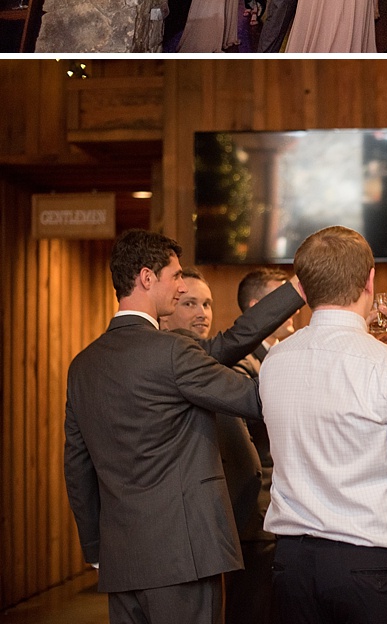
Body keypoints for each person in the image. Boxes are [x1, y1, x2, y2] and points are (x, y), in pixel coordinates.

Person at [63, 230, 267, 624]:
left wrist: (95, 548)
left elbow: (77, 466)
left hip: (121, 562)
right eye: (175, 277)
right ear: (145, 277)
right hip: (185, 559)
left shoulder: (82, 366)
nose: (180, 286)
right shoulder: (172, 351)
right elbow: (252, 400)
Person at [261, 226, 387, 624]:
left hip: (293, 566)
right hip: (375, 568)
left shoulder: (274, 362)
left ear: (305, 287)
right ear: (369, 280)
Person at [161, 266, 305, 624]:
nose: (202, 313)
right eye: (190, 302)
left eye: (207, 304)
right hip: (233, 514)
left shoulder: (214, 358)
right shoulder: (229, 363)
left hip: (267, 512)